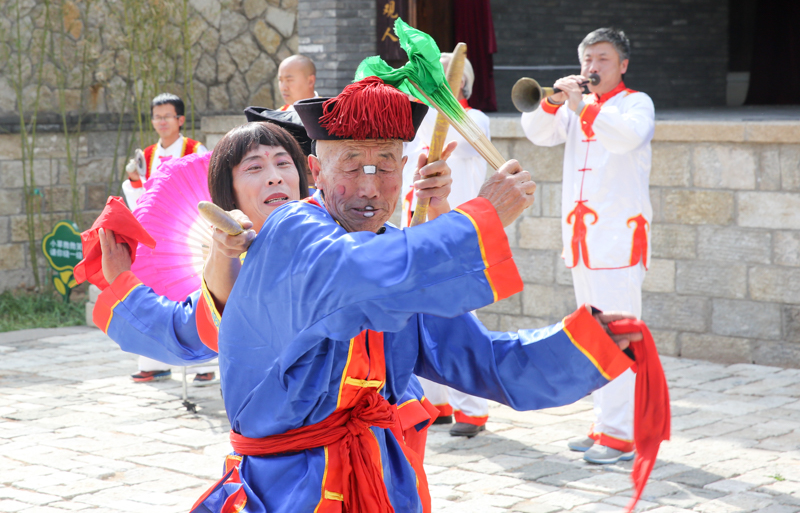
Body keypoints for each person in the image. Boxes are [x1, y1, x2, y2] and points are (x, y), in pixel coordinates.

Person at [190, 76, 642, 513]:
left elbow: (480, 359)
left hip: (385, 476)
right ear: (316, 171)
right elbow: (356, 272)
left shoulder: (391, 252)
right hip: (289, 487)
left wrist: (586, 344)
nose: (369, 187)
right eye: (350, 165)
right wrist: (479, 217)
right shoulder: (293, 234)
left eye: (385, 165)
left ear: (404, 170)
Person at [95, 117, 441, 460]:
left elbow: (433, 310)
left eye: (282, 163)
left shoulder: (345, 236)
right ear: (228, 194)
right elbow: (180, 334)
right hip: (295, 464)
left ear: (309, 175)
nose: (274, 175)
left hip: (390, 445)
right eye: (254, 167)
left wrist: (438, 212)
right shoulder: (237, 274)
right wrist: (122, 279)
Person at [521, 28, 655, 465]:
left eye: (602, 59)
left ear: (623, 65)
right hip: (581, 239)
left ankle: (622, 433)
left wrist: (584, 104)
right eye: (586, 60)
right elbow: (537, 131)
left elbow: (624, 138)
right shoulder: (578, 105)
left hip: (618, 237)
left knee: (619, 334)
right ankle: (604, 422)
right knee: (592, 333)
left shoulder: (637, 104)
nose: (592, 68)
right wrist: (557, 102)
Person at [402, 53, 492, 438]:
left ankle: (472, 408)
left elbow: (451, 139)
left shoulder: (474, 119)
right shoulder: (420, 122)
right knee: (422, 316)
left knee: (459, 318)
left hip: (457, 232)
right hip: (416, 230)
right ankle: (435, 401)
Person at [120, 93, 209, 382]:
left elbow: (203, 188)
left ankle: (203, 365)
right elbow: (139, 199)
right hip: (153, 236)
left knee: (192, 293)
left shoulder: (196, 149)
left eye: (167, 116)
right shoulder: (145, 156)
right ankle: (154, 361)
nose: (161, 121)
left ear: (180, 120)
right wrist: (134, 180)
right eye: (157, 116)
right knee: (152, 292)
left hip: (187, 233)